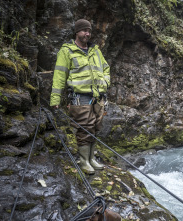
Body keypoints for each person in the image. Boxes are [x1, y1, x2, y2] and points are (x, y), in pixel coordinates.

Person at [50, 19, 110, 174]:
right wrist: (55, 99)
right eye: (84, 31)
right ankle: (84, 161)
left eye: (89, 31)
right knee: (85, 129)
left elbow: (106, 68)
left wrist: (105, 82)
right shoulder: (67, 51)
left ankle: (91, 159)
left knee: (96, 127)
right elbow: (59, 76)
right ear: (76, 32)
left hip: (98, 96)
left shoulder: (95, 50)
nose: (87, 34)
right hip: (79, 97)